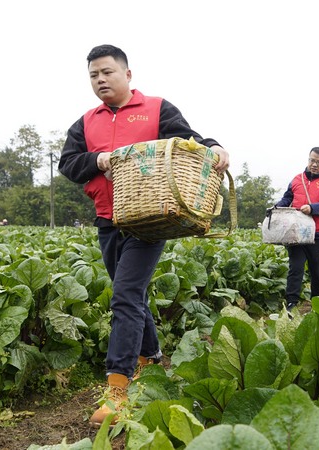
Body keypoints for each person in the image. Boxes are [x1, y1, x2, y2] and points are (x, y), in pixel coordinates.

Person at [58, 44, 229, 428]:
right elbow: (68, 163)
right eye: (93, 76)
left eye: (107, 72)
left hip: (151, 219)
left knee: (124, 296)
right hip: (108, 218)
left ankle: (117, 387)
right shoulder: (86, 122)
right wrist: (97, 160)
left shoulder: (156, 109)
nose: (100, 80)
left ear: (127, 74)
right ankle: (149, 356)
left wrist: (215, 145)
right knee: (131, 293)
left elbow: (189, 140)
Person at [273, 147, 319, 311]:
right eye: (312, 160)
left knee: (317, 271)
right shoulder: (296, 179)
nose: (314, 164)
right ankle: (291, 304)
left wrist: (312, 208)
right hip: (296, 233)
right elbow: (287, 198)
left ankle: (318, 304)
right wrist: (276, 208)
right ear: (308, 159)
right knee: (296, 268)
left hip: (318, 234)